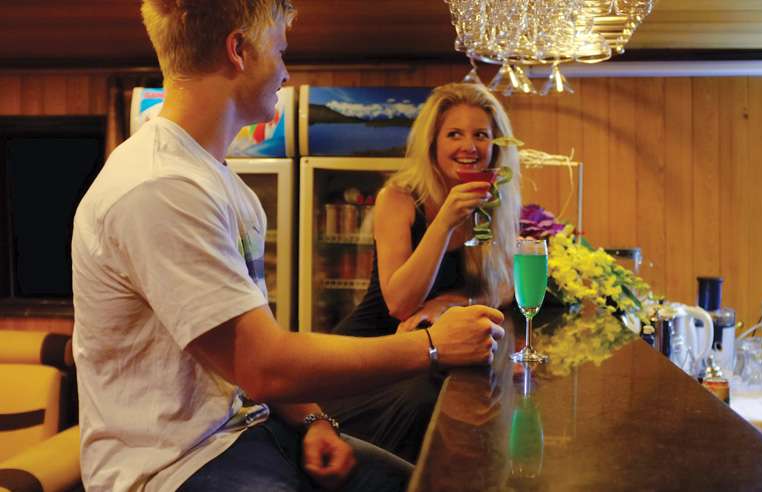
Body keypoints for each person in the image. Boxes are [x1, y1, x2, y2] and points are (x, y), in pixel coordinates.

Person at [71, 2, 504, 491]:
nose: (285, 72)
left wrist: (312, 419)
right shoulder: (160, 186)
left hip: (245, 434)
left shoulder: (221, 185)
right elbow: (262, 365)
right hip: (175, 469)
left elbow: (245, 354)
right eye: (278, 51)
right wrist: (431, 346)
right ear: (238, 50)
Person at [323, 82, 521, 462]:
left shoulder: (490, 201)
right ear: (432, 144)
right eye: (454, 134)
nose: (469, 146)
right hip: (373, 357)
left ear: (496, 145)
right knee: (429, 412)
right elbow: (399, 304)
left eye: (481, 135)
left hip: (429, 357)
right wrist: (444, 220)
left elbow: (500, 286)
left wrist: (447, 303)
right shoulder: (399, 197)